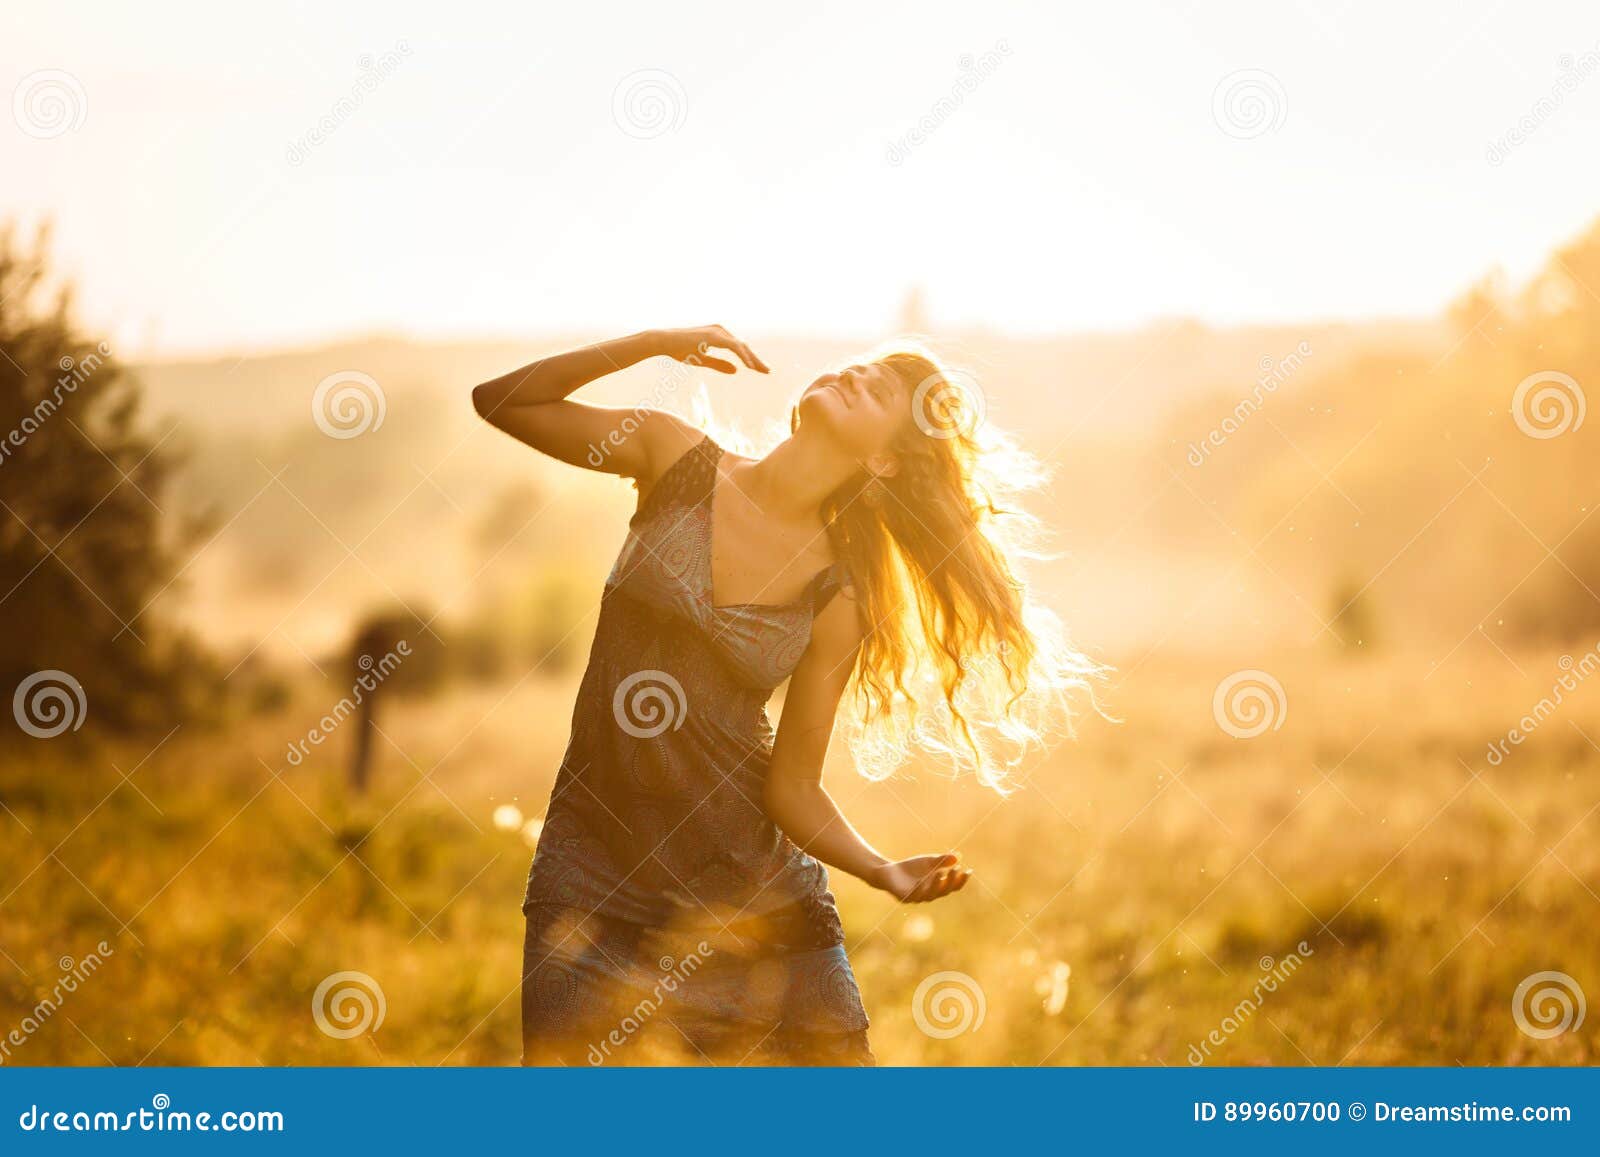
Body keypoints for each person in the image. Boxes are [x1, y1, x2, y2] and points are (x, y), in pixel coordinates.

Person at [471, 325, 1099, 1065]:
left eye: (883, 391)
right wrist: (654, 343)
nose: (858, 375)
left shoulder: (838, 593)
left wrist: (883, 870)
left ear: (884, 458)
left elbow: (793, 786)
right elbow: (503, 400)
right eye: (861, 366)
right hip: (590, 887)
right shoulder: (672, 458)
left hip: (759, 910)